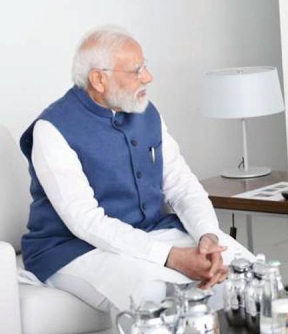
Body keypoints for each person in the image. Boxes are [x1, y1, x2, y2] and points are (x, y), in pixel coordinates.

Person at [19, 26, 254, 312]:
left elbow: (181, 185)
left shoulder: (146, 111)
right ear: (99, 79)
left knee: (248, 270)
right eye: (136, 70)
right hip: (74, 248)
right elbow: (86, 221)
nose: (148, 77)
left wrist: (207, 236)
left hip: (152, 231)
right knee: (162, 294)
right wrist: (171, 257)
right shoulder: (52, 129)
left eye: (145, 66)